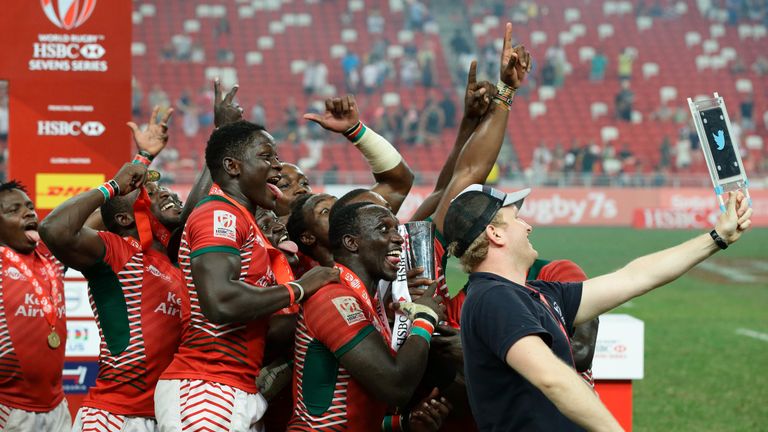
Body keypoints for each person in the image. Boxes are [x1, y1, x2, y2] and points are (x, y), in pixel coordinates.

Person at [443, 184, 752, 431]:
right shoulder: (493, 298)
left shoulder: (535, 294)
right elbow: (553, 377)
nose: (528, 227)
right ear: (495, 234)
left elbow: (635, 277)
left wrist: (717, 238)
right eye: (517, 219)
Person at [155, 117, 339, 430]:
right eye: (267, 157)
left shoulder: (243, 219)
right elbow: (221, 301)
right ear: (233, 166)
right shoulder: (219, 214)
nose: (278, 167)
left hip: (235, 387)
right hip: (207, 389)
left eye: (277, 158)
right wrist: (301, 288)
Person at [39, 108, 194, 430]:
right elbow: (55, 229)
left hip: (165, 417)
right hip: (113, 418)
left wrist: (145, 157)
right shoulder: (116, 251)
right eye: (152, 195)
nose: (166, 194)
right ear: (126, 219)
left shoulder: (177, 265)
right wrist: (113, 186)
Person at [287, 201, 449, 431]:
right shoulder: (333, 298)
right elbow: (395, 386)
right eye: (383, 229)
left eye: (395, 228)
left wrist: (402, 423)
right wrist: (425, 319)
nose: (398, 238)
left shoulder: (366, 302)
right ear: (352, 243)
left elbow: (352, 404)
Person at [0, 180, 69, 431]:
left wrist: (115, 185)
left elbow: (85, 220)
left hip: (57, 407)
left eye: (29, 207)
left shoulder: (51, 259)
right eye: (13, 210)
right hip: (8, 408)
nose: (28, 213)